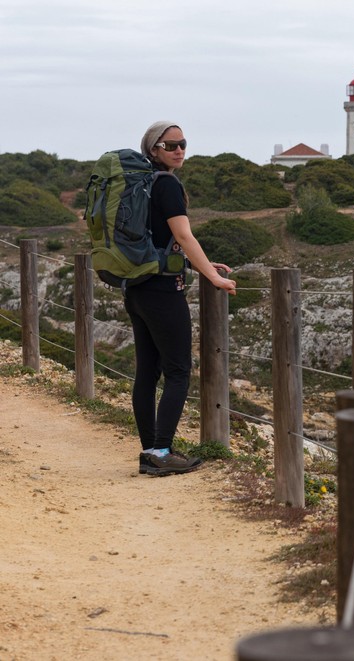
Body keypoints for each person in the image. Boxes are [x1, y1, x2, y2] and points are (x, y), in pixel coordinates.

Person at [129, 121, 237, 477]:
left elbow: (159, 239)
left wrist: (203, 263)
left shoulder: (139, 182)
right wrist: (213, 277)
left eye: (183, 144)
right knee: (178, 371)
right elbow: (183, 235)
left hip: (137, 287)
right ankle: (161, 451)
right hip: (162, 290)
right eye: (171, 145)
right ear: (154, 149)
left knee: (147, 372)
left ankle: (151, 451)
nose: (179, 150)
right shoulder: (168, 184)